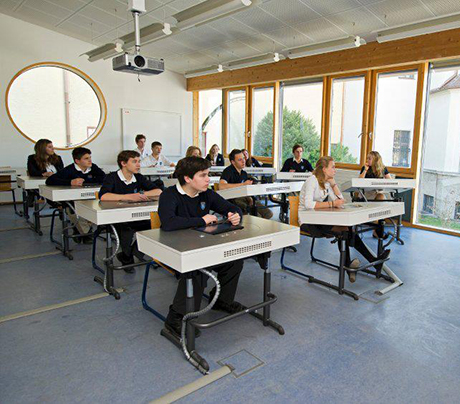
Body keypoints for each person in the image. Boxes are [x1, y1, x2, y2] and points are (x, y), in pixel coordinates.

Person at [159, 156, 244, 337]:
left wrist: (235, 215)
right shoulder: (169, 195)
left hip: (202, 246)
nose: (208, 179)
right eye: (203, 175)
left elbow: (231, 208)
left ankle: (223, 300)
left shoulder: (206, 193)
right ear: (188, 178)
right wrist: (201, 220)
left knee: (234, 259)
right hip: (174, 249)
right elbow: (168, 223)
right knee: (197, 268)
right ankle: (175, 317)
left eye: (208, 174)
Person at [299, 156, 390, 283]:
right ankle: (358, 264)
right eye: (333, 167)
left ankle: (359, 264)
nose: (335, 170)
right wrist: (332, 204)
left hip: (320, 218)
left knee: (347, 230)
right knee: (345, 231)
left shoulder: (326, 182)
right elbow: (309, 204)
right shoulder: (312, 180)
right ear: (324, 169)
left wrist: (333, 184)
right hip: (308, 221)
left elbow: (341, 201)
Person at [99, 150, 163, 270]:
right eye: (134, 162)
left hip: (136, 215)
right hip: (117, 217)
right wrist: (128, 196)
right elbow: (103, 196)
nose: (138, 164)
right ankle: (127, 257)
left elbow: (158, 191)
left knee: (156, 226)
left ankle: (132, 252)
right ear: (123, 163)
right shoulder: (112, 177)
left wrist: (141, 194)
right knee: (126, 229)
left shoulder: (138, 177)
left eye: (139, 161)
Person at [45, 147, 106, 243]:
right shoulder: (69, 170)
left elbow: (103, 178)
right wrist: (70, 182)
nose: (90, 160)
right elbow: (50, 180)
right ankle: (86, 233)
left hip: (89, 197)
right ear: (77, 161)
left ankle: (80, 230)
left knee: (96, 207)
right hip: (72, 199)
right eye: (86, 158)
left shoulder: (93, 167)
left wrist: (86, 181)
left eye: (90, 157)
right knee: (73, 209)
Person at [219, 149, 273, 219]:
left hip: (245, 198)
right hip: (233, 200)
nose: (243, 161)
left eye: (243, 158)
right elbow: (222, 186)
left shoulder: (244, 173)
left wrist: (249, 197)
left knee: (268, 213)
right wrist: (243, 184)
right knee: (257, 217)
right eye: (240, 160)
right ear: (233, 162)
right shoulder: (227, 171)